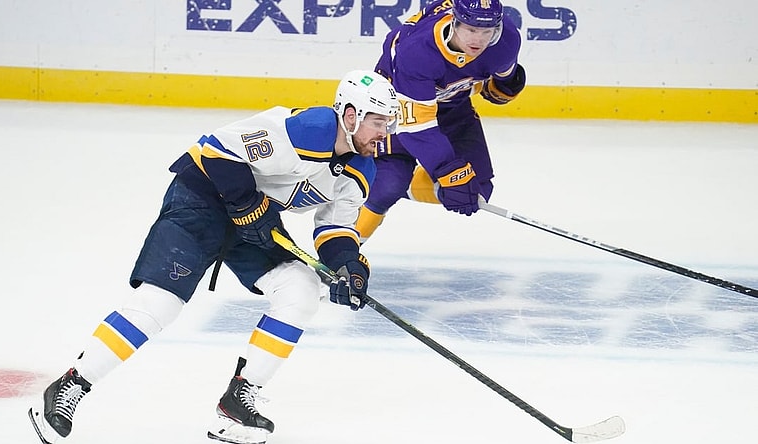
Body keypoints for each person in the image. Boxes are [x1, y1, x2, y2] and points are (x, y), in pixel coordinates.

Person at [27, 70, 400, 444]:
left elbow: (335, 230)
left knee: (301, 288)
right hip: (203, 197)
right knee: (162, 303)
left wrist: (347, 265)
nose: (384, 133)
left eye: (389, 122)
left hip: (252, 217)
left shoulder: (360, 169)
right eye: (377, 121)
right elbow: (218, 151)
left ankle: (237, 401)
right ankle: (69, 385)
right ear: (350, 116)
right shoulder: (309, 129)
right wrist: (245, 203)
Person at [355, 0, 526, 242]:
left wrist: (504, 87)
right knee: (389, 184)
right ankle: (342, 249)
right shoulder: (418, 51)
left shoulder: (506, 40)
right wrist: (449, 171)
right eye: (471, 29)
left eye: (486, 32)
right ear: (454, 22)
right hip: (396, 100)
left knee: (476, 190)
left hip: (453, 105)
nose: (478, 40)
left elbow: (499, 84)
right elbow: (416, 127)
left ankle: (397, 184)